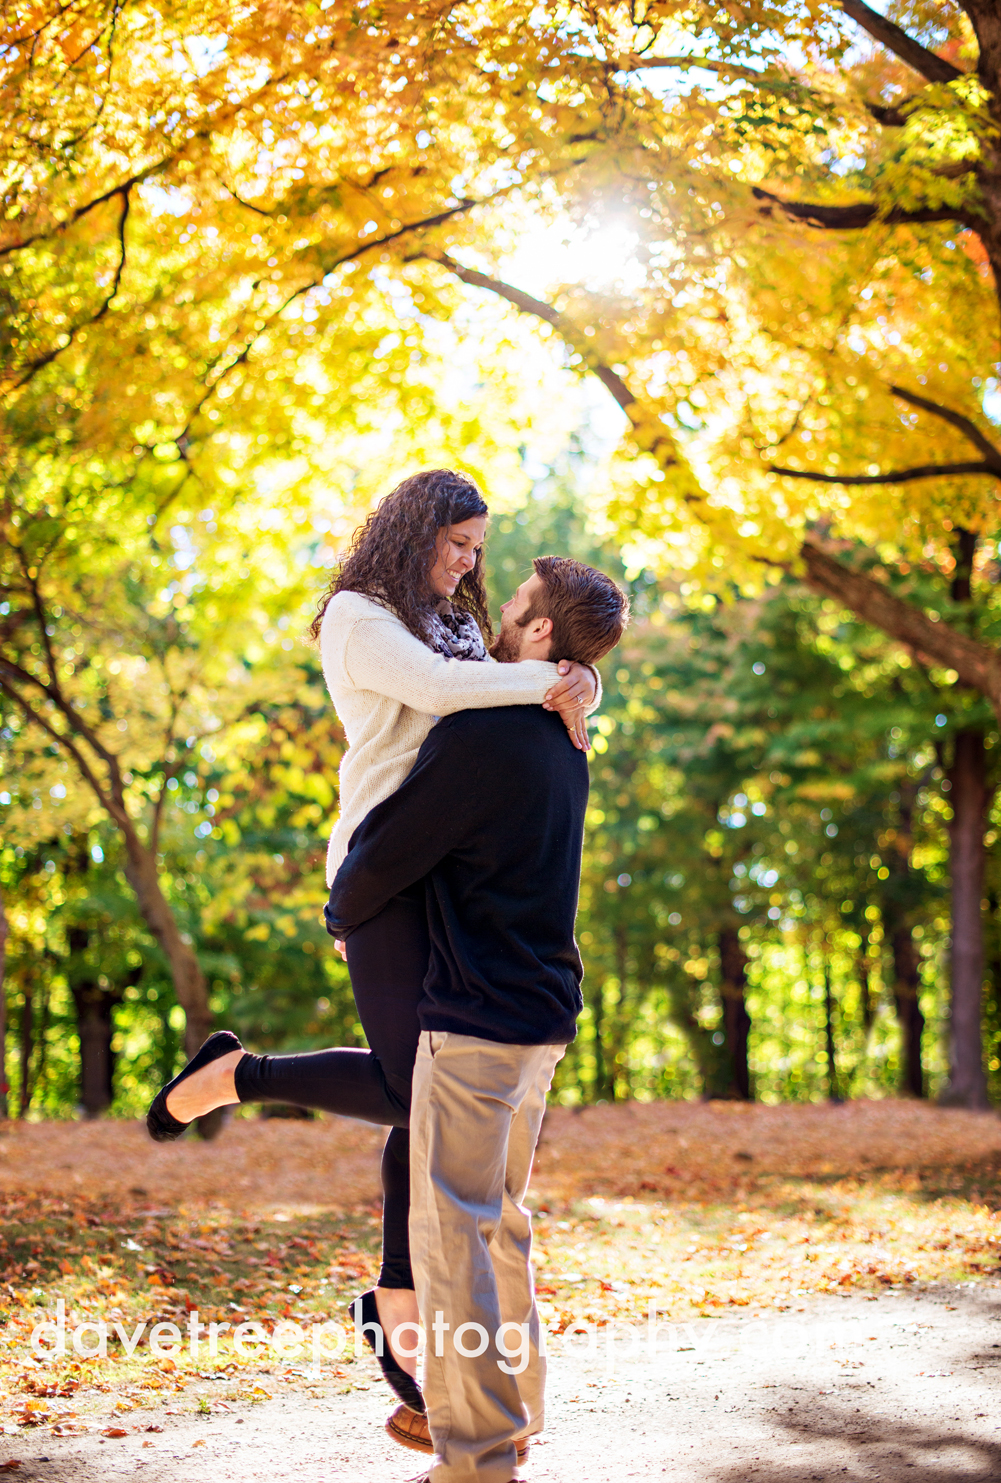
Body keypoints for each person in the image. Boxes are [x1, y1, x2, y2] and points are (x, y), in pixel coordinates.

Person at [146, 469, 599, 1412]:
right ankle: (241, 1079)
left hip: (442, 862)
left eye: (481, 550)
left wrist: (582, 679)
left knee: (426, 1085)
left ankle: (396, 1294)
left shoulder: (457, 621)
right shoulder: (360, 617)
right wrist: (563, 678)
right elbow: (443, 694)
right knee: (407, 1087)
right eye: (458, 544)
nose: (471, 564)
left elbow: (500, 693)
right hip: (382, 866)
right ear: (414, 530)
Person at [324, 556, 629, 1481]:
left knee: (451, 1237)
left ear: (539, 636)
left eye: (519, 608)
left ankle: (478, 1455)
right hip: (541, 1014)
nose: (499, 614)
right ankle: (515, 1416)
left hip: (475, 1019)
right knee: (498, 1223)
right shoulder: (566, 732)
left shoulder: (485, 732)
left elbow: (393, 847)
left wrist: (342, 908)